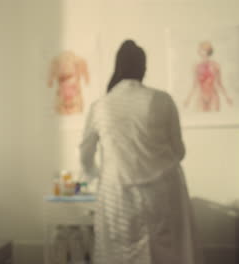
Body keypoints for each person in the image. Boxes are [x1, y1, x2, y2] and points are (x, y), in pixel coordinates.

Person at [79, 40, 202, 264]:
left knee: (118, 255)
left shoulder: (101, 106)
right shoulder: (161, 100)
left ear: (117, 68)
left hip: (117, 195)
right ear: (143, 69)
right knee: (167, 254)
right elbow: (179, 151)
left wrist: (100, 175)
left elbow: (86, 155)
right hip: (162, 193)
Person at [184, 41, 233, 111]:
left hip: (213, 96)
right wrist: (188, 99)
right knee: (201, 118)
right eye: (200, 49)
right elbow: (194, 85)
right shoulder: (196, 66)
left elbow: (219, 83)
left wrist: (227, 97)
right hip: (201, 96)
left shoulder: (215, 65)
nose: (200, 51)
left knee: (214, 119)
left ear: (208, 51)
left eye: (202, 49)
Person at [48, 50, 90, 115]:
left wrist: (86, 78)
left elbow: (85, 71)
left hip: (74, 97)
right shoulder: (56, 62)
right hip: (63, 99)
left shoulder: (78, 61)